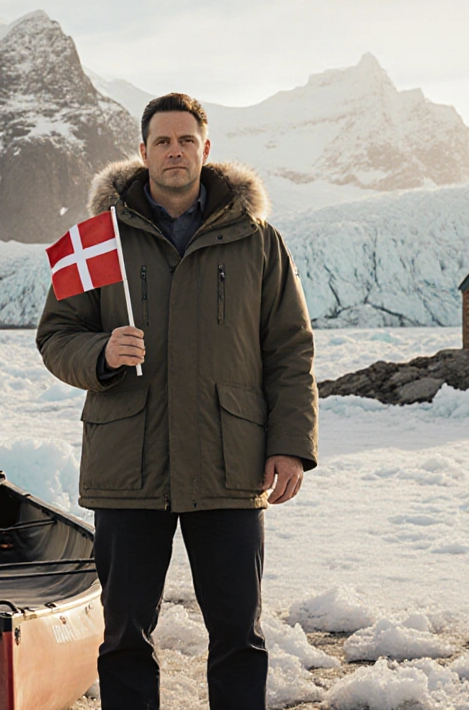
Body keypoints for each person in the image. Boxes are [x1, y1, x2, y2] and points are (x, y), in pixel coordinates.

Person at [36, 92, 318, 709]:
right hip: (129, 466)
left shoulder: (257, 242)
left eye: (186, 140)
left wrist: (291, 445)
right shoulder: (97, 241)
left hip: (228, 463)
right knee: (125, 638)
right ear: (141, 152)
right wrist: (102, 354)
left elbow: (290, 350)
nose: (174, 151)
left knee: (239, 637)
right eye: (162, 141)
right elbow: (56, 336)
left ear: (206, 149)